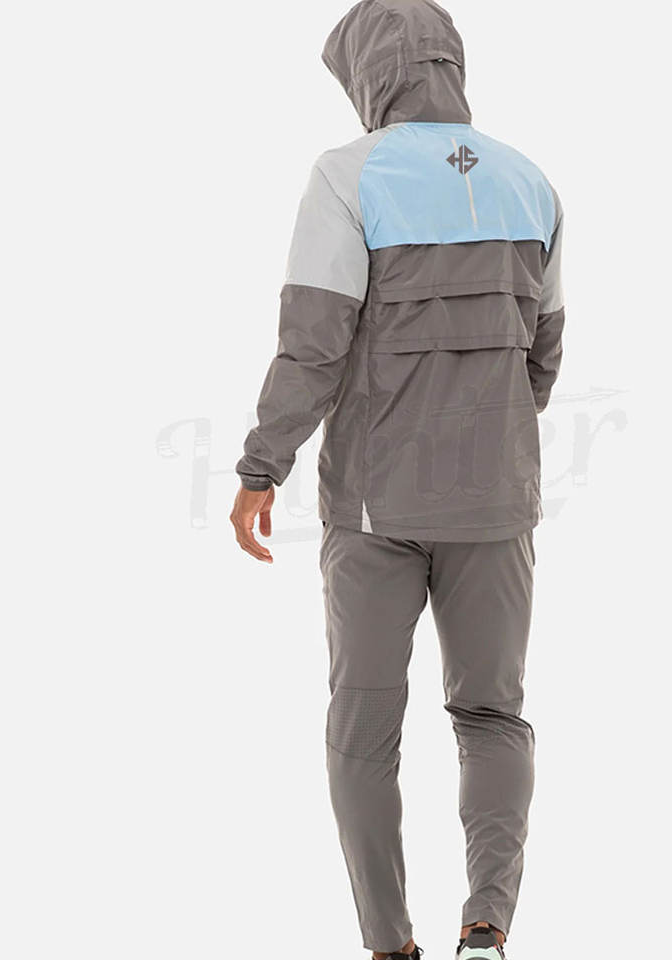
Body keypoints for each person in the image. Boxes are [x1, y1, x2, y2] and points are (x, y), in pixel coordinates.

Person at [230, 2, 564, 957]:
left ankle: (388, 943)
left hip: (376, 508)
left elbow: (313, 344)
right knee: (492, 713)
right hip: (497, 504)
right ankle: (487, 925)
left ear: (367, 75)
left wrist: (262, 465)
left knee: (364, 724)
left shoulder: (347, 175)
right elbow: (544, 352)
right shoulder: (531, 179)